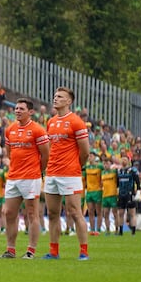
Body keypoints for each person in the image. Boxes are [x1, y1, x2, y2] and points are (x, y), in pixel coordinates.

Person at [0, 98, 49, 259]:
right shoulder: (10, 129)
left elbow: (45, 155)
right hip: (13, 177)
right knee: (9, 213)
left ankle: (30, 251)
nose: (17, 111)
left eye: (21, 109)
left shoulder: (38, 130)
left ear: (30, 112)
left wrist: (37, 171)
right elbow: (9, 152)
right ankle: (10, 250)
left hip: (31, 177)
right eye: (16, 108)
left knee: (32, 213)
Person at [44, 87, 90, 260]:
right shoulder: (51, 121)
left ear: (69, 101)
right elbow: (50, 147)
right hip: (52, 173)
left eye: (60, 97)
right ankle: (53, 251)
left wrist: (75, 167)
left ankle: (84, 251)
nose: (55, 99)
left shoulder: (76, 121)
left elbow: (85, 151)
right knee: (53, 213)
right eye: (55, 96)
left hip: (70, 173)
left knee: (74, 212)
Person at [117, 159, 141, 235]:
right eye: (122, 159)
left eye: (125, 159)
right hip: (121, 194)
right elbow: (117, 183)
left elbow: (137, 181)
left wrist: (138, 191)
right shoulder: (119, 171)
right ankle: (120, 231)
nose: (123, 161)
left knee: (132, 213)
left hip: (130, 194)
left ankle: (133, 231)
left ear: (128, 161)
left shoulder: (132, 170)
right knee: (121, 212)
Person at [83, 153, 103, 236]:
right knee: (90, 211)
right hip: (89, 191)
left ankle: (98, 229)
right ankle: (92, 229)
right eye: (89, 156)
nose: (89, 158)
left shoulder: (100, 167)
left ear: (95, 157)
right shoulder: (86, 167)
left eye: (91, 156)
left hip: (98, 191)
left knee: (98, 211)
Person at [100, 159, 119, 235]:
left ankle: (116, 229)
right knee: (106, 214)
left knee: (115, 213)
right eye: (104, 164)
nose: (105, 165)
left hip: (113, 195)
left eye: (107, 163)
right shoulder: (102, 173)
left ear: (110, 164)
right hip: (105, 196)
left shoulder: (114, 172)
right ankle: (107, 230)